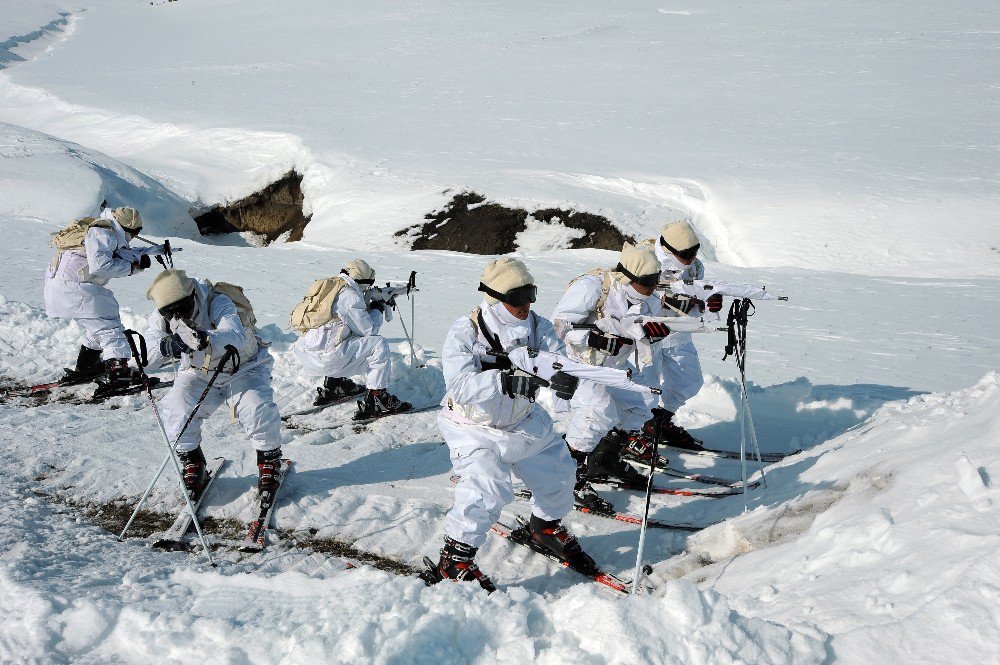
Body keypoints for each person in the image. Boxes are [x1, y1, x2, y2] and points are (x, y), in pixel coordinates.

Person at [431, 258, 590, 591]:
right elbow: (459, 386)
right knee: (487, 487)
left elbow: (559, 360)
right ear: (494, 296)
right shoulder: (468, 330)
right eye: (517, 298)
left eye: (530, 294)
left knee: (560, 475)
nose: (526, 305)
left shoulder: (538, 327)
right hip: (473, 426)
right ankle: (454, 559)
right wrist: (504, 381)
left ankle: (544, 527)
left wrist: (565, 378)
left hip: (522, 421)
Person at [143, 269, 282, 496]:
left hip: (242, 367)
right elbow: (145, 354)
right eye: (170, 312)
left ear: (191, 297)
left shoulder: (216, 300)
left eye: (183, 308)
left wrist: (206, 339)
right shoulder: (162, 316)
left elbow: (234, 333)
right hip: (199, 372)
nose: (177, 315)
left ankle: (269, 460)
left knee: (257, 408)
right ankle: (193, 462)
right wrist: (166, 346)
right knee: (176, 408)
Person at [551, 243, 666, 506]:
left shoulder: (648, 300)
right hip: (579, 365)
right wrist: (593, 338)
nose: (652, 287)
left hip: (613, 367)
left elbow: (641, 331)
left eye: (656, 280)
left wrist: (653, 335)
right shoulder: (593, 287)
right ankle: (567, 478)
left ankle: (604, 459)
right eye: (647, 281)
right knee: (597, 412)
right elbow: (557, 327)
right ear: (630, 276)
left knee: (639, 406)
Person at [43, 206, 151, 395]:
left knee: (98, 326)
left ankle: (86, 367)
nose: (134, 236)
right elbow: (101, 266)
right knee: (109, 328)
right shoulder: (103, 233)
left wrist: (143, 255)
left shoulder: (103, 231)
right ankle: (119, 375)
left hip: (65, 287)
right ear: (125, 228)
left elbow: (111, 254)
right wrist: (132, 267)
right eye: (134, 232)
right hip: (75, 288)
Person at [290, 259, 411, 418]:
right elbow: (369, 330)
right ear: (361, 281)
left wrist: (374, 295)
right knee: (378, 344)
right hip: (328, 359)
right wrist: (378, 307)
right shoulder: (350, 297)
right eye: (367, 285)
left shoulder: (333, 286)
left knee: (340, 335)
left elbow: (349, 310)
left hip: (309, 353)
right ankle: (378, 398)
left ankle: (335, 385)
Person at [639, 219, 721, 451]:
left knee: (689, 381)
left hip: (678, 334)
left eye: (694, 251)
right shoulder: (645, 259)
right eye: (685, 253)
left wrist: (704, 304)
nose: (691, 257)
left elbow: (698, 295)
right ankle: (632, 432)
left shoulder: (695, 267)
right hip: (649, 335)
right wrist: (662, 299)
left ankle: (659, 422)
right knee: (646, 389)